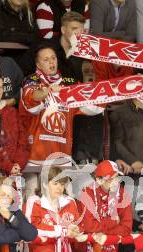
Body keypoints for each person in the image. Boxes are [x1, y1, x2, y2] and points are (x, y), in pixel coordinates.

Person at [19, 44, 103, 196]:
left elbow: (91, 107)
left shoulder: (67, 86)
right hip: (36, 159)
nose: (51, 62)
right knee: (32, 203)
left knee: (61, 205)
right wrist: (47, 92)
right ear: (38, 64)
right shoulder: (31, 82)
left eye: (53, 58)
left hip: (61, 159)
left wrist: (109, 92)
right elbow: (32, 99)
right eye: (46, 60)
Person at [73, 160, 133, 252]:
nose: (115, 183)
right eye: (110, 179)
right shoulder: (86, 194)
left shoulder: (123, 194)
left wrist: (103, 229)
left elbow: (126, 227)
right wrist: (114, 222)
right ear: (99, 180)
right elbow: (89, 226)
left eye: (117, 178)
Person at [0, 0, 39, 68]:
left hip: (29, 60)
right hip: (7, 59)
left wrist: (15, 34)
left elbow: (36, 35)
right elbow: (2, 36)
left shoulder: (29, 10)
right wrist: (26, 37)